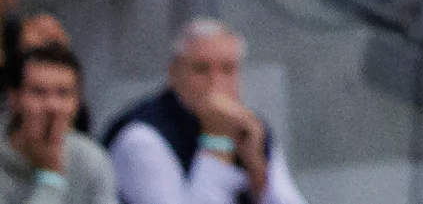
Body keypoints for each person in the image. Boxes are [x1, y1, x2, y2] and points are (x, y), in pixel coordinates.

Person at [102, 22, 305, 204]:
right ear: (174, 73)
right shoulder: (140, 137)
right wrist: (216, 141)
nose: (215, 82)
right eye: (201, 69)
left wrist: (258, 171)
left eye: (227, 70)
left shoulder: (249, 127)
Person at [1, 44, 109, 204]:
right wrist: (50, 177)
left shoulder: (91, 159)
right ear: (14, 98)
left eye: (64, 93)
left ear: (77, 102)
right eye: (38, 92)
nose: (53, 106)